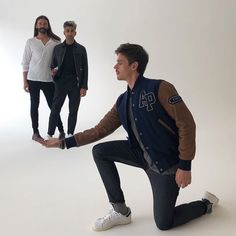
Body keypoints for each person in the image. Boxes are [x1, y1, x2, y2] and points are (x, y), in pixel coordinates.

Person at [42, 43, 219, 231]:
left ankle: (205, 204)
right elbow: (99, 130)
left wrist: (185, 165)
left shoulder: (160, 88)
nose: (115, 67)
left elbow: (186, 124)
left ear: (134, 66)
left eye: (119, 62)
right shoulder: (122, 101)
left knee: (164, 223)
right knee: (100, 151)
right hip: (140, 155)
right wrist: (63, 143)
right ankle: (120, 211)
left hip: (165, 165)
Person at [22, 15, 65, 142]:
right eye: (40, 23)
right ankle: (35, 132)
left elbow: (60, 62)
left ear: (48, 25)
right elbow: (25, 62)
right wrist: (24, 81)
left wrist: (56, 70)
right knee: (34, 106)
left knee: (53, 106)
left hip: (49, 80)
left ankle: (61, 131)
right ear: (36, 26)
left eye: (44, 23)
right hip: (33, 79)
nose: (42, 25)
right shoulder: (30, 42)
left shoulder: (56, 42)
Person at [47, 21, 88, 138]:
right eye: (67, 31)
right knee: (55, 109)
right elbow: (52, 65)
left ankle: (70, 134)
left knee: (73, 110)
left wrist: (84, 86)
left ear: (75, 33)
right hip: (61, 83)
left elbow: (85, 69)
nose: (69, 33)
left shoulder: (81, 49)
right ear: (64, 32)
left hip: (76, 84)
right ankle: (50, 134)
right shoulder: (58, 48)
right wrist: (53, 75)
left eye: (72, 31)